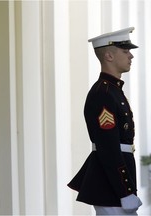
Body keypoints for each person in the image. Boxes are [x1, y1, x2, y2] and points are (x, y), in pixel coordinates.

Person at [67, 27, 142, 215]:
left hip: (115, 180)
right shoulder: (104, 93)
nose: (131, 56)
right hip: (110, 183)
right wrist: (125, 192)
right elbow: (108, 147)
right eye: (125, 51)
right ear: (109, 56)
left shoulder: (113, 90)